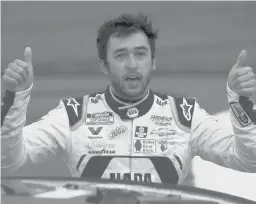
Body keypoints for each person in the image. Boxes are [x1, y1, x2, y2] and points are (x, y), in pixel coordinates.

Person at [1, 13, 256, 184]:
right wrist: (16, 97)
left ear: (153, 62)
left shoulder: (185, 114)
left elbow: (249, 161)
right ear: (104, 65)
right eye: (121, 55)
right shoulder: (73, 114)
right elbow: (7, 162)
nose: (132, 65)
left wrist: (240, 103)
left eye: (141, 54)